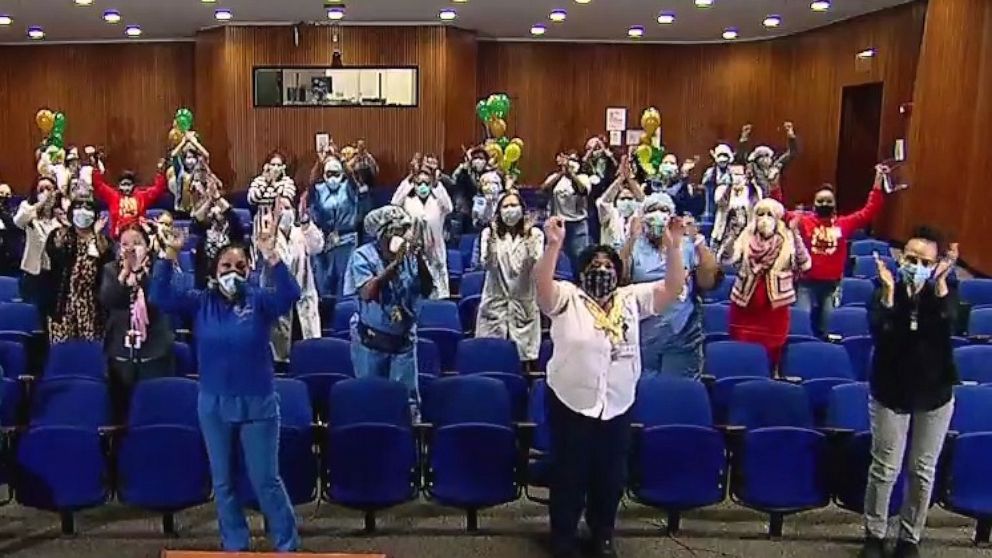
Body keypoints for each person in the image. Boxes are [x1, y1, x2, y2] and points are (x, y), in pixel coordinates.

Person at [536, 214, 686, 558]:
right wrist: (554, 245)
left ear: (618, 273)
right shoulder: (567, 297)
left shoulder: (631, 299)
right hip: (571, 402)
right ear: (582, 270)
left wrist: (675, 247)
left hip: (617, 404)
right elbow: (541, 288)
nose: (602, 270)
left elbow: (672, 289)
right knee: (569, 473)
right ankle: (563, 534)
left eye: (608, 265)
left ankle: (602, 533)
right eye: (594, 264)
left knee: (610, 476)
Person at [150, 222, 301, 553]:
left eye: (240, 267)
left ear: (248, 271)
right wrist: (170, 253)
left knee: (266, 481)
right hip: (214, 405)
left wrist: (270, 255)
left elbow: (291, 295)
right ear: (214, 272)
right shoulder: (200, 302)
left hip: (258, 404)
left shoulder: (260, 301)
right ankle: (235, 544)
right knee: (223, 482)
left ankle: (287, 545)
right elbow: (159, 296)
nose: (233, 272)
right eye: (226, 266)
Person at [860, 229, 959, 558]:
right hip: (891, 389)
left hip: (934, 394)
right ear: (901, 258)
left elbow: (947, 329)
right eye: (911, 259)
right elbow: (882, 335)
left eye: (925, 262)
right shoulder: (883, 288)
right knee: (885, 468)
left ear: (936, 266)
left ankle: (909, 537)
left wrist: (940, 286)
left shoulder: (946, 292)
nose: (916, 265)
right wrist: (890, 294)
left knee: (921, 470)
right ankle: (875, 534)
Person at [344, 206, 433, 414]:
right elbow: (368, 292)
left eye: (404, 230)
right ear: (382, 234)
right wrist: (394, 264)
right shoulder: (363, 256)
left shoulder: (409, 255)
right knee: (371, 401)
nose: (401, 235)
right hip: (372, 342)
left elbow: (426, 288)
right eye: (396, 231)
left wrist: (419, 259)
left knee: (405, 403)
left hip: (403, 342)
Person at [625, 194, 719, 378]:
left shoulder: (685, 245)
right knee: (644, 388)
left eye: (664, 210)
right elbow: (619, 281)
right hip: (642, 333)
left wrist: (698, 241)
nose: (658, 215)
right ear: (643, 216)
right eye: (652, 210)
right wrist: (630, 239)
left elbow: (708, 281)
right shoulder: (635, 245)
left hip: (681, 333)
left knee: (677, 392)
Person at [794, 165, 889, 336]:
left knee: (829, 327)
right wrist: (773, 183)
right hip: (805, 283)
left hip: (831, 285)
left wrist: (878, 179)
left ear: (835, 204)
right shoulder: (803, 221)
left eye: (828, 201)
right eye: (820, 201)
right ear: (814, 204)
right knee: (802, 323)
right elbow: (778, 210)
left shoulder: (843, 224)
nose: (825, 204)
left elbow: (870, 210)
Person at [100, 225, 175, 420]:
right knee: (119, 413)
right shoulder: (110, 270)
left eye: (137, 243)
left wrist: (141, 273)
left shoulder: (160, 268)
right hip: (120, 352)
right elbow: (109, 300)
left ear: (147, 246)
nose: (130, 249)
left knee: (154, 411)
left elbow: (159, 300)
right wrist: (125, 275)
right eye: (125, 244)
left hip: (155, 351)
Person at [727, 198, 811, 367]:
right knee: (744, 357)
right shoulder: (745, 237)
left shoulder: (787, 239)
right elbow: (726, 259)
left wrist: (795, 234)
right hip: (745, 306)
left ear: (777, 218)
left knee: (771, 357)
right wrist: (731, 237)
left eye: (769, 214)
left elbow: (805, 264)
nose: (764, 218)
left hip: (774, 310)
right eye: (760, 214)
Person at [475, 193, 544, 365]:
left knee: (523, 360)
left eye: (514, 205)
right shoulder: (489, 234)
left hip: (523, 303)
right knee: (491, 357)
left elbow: (536, 263)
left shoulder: (535, 234)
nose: (510, 210)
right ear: (499, 212)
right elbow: (487, 263)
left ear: (522, 210)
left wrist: (527, 235)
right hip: (495, 302)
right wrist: (491, 237)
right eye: (505, 206)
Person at [43, 199, 112, 344]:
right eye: (79, 207)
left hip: (92, 304)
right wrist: (65, 232)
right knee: (63, 349)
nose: (83, 211)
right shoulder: (60, 235)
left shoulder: (102, 239)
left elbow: (107, 261)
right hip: (64, 301)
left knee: (90, 348)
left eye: (88, 208)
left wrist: (97, 235)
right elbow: (54, 256)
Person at [265, 195, 324, 363]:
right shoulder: (266, 236)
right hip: (280, 303)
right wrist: (274, 226)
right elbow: (268, 257)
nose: (285, 212)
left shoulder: (301, 233)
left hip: (304, 299)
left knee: (310, 356)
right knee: (281, 357)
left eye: (288, 207)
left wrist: (305, 221)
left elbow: (317, 247)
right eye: (281, 208)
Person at [392, 164, 453, 299]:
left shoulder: (438, 202)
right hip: (414, 249)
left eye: (426, 183)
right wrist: (409, 179)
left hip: (435, 249)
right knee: (414, 288)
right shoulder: (408, 202)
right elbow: (394, 203)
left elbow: (449, 207)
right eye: (419, 183)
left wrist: (437, 184)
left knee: (439, 287)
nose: (423, 186)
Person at [308, 153, 362, 297]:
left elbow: (353, 179)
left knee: (345, 283)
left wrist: (342, 161)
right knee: (324, 283)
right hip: (325, 240)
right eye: (329, 173)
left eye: (336, 173)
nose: (332, 177)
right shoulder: (320, 189)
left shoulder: (348, 188)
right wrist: (320, 162)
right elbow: (311, 185)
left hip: (347, 240)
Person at [14, 177, 63, 303]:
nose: (45, 193)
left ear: (55, 192)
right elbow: (18, 221)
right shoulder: (28, 209)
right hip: (32, 271)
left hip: (52, 273)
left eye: (49, 189)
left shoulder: (60, 216)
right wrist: (39, 204)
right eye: (41, 190)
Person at [92, 159, 169, 238]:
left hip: (138, 236)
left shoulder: (142, 196)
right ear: (119, 186)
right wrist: (95, 167)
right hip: (118, 238)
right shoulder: (113, 196)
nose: (126, 188)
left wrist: (160, 172)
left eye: (128, 185)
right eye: (123, 185)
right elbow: (99, 185)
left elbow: (158, 189)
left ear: (133, 185)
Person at [542, 152, 591, 274]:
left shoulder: (584, 177)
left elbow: (582, 190)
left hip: (577, 224)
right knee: (554, 258)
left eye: (574, 160)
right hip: (558, 223)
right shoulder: (555, 176)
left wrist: (571, 174)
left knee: (579, 258)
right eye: (569, 160)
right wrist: (561, 174)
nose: (571, 162)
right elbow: (544, 189)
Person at [191, 183, 246, 289]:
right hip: (206, 281)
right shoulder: (203, 229)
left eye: (218, 208)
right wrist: (209, 201)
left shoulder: (233, 228)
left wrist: (217, 198)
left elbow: (232, 216)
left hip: (230, 278)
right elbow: (197, 219)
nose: (215, 211)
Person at [248, 152, 296, 265]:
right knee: (261, 257)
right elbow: (252, 199)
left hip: (280, 223)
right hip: (261, 222)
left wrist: (274, 183)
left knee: (279, 257)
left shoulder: (287, 182)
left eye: (279, 165)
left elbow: (286, 200)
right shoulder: (259, 181)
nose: (275, 168)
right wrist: (265, 181)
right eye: (273, 164)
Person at [712, 163, 761, 266]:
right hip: (725, 232)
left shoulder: (752, 191)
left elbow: (757, 203)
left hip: (746, 233)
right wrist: (730, 186)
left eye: (740, 174)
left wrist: (752, 184)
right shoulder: (722, 189)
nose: (737, 178)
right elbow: (720, 202)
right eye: (734, 174)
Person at [739, 122, 799, 200]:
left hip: (775, 200)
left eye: (767, 156)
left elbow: (792, 153)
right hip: (758, 200)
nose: (765, 159)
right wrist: (744, 138)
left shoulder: (776, 165)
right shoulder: (753, 166)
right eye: (761, 156)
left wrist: (791, 136)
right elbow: (742, 157)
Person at [596, 155, 644, 251]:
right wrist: (620, 179)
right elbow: (604, 201)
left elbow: (643, 200)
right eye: (622, 199)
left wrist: (630, 179)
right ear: (616, 201)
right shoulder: (610, 214)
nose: (626, 202)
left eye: (630, 199)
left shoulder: (639, 215)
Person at [168, 132, 211, 214]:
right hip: (182, 211)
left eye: (192, 158)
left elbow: (206, 155)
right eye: (188, 158)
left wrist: (194, 141)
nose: (190, 161)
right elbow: (173, 155)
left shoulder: (200, 166)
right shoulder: (180, 170)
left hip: (199, 211)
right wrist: (183, 141)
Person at [450, 146, 489, 236]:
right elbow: (454, 181)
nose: (478, 160)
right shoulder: (464, 171)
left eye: (481, 158)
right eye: (475, 158)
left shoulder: (491, 173)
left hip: (484, 212)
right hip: (466, 209)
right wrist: (463, 168)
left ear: (486, 161)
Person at [0, 183, 21, 276]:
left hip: (10, 253)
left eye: (7, 194)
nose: (3, 197)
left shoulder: (15, 209)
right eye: (1, 193)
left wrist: (2, 211)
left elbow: (14, 225)